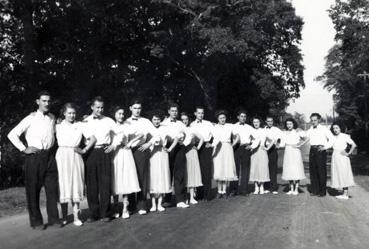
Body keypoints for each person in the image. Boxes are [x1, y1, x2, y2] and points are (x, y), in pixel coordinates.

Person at [7, 90, 59, 229]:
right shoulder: (30, 118)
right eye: (44, 100)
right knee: (33, 190)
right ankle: (36, 222)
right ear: (38, 102)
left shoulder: (52, 117)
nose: (47, 103)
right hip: (34, 157)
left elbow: (54, 133)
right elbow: (12, 134)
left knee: (52, 189)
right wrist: (24, 149)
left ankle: (54, 219)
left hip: (49, 156)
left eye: (48, 101)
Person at [56, 103, 96, 227]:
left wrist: (84, 150)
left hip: (75, 155)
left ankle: (76, 216)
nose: (72, 115)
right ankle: (63, 217)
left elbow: (93, 138)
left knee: (76, 184)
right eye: (69, 113)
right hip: (62, 156)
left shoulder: (80, 125)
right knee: (63, 184)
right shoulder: (57, 125)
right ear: (64, 113)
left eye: (73, 113)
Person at [83, 96, 118, 222]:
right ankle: (93, 214)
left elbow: (120, 133)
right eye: (97, 107)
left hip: (104, 152)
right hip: (91, 153)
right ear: (92, 107)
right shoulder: (85, 121)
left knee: (105, 183)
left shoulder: (109, 120)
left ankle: (106, 213)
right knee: (91, 184)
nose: (100, 110)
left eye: (102, 107)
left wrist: (113, 145)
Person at [124, 99, 154, 215]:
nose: (137, 110)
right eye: (135, 108)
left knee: (142, 177)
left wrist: (149, 143)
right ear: (130, 108)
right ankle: (131, 205)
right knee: (131, 177)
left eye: (139, 108)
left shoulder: (146, 121)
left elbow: (156, 135)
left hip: (141, 150)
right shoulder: (126, 122)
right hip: (128, 151)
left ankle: (141, 204)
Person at [112, 107, 141, 219]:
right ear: (114, 114)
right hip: (115, 155)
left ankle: (125, 208)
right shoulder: (111, 125)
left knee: (125, 180)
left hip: (125, 154)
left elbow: (141, 134)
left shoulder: (127, 126)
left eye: (123, 114)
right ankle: (115, 208)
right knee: (115, 180)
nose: (121, 116)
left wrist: (131, 142)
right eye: (119, 113)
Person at [161, 103, 189, 208]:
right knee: (168, 173)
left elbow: (187, 135)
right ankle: (167, 199)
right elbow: (162, 136)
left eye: (176, 111)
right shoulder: (163, 123)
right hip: (167, 149)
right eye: (172, 111)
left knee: (179, 174)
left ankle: (180, 200)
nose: (174, 113)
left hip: (179, 149)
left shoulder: (181, 123)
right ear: (168, 111)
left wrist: (183, 141)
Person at [211, 110, 239, 198]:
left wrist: (233, 144)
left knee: (227, 168)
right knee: (219, 168)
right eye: (220, 118)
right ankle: (219, 191)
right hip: (218, 147)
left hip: (227, 147)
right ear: (217, 119)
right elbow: (214, 139)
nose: (222, 119)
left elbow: (237, 136)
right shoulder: (215, 127)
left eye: (223, 118)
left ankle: (225, 191)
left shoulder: (230, 126)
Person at [149, 112, 172, 212]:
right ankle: (153, 204)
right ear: (151, 120)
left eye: (158, 119)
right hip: (152, 154)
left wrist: (169, 148)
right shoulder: (148, 129)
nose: (156, 121)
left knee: (162, 176)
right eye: (154, 119)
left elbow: (174, 137)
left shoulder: (165, 128)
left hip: (162, 153)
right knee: (153, 177)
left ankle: (160, 204)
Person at [306, 113, 334, 197]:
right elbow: (305, 137)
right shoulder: (310, 129)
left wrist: (325, 147)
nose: (313, 122)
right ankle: (315, 190)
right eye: (312, 120)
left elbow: (332, 139)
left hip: (320, 151)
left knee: (321, 171)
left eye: (315, 120)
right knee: (313, 171)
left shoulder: (324, 129)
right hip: (312, 150)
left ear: (319, 120)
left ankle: (322, 191)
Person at [230, 109, 257, 196]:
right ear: (238, 117)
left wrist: (252, 146)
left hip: (246, 148)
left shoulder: (249, 127)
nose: (243, 118)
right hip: (236, 148)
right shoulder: (233, 126)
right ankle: (234, 190)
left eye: (245, 116)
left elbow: (258, 138)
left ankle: (244, 190)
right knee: (235, 169)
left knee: (245, 169)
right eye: (241, 116)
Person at [190, 106, 214, 201]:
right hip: (196, 147)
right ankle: (199, 194)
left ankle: (207, 195)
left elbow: (216, 134)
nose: (201, 115)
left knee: (206, 171)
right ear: (195, 114)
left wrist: (212, 144)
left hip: (206, 147)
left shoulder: (208, 124)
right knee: (197, 170)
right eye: (199, 113)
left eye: (202, 113)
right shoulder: (192, 124)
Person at [279, 118, 307, 195]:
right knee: (289, 169)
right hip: (288, 151)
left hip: (295, 151)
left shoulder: (297, 131)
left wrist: (299, 144)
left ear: (293, 124)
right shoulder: (284, 132)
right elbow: (282, 144)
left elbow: (306, 138)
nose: (289, 126)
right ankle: (291, 188)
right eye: (287, 124)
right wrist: (276, 144)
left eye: (290, 124)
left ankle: (296, 189)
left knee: (296, 169)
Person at [180, 112, 203, 205]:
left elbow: (201, 138)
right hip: (182, 153)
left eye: (186, 119)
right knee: (185, 174)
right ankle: (184, 197)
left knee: (192, 173)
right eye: (182, 119)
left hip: (192, 152)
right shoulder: (179, 129)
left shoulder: (192, 129)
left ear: (189, 120)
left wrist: (198, 147)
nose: (185, 121)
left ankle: (192, 197)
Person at [330, 122, 356, 200]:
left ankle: (345, 194)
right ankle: (343, 192)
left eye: (337, 128)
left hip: (342, 157)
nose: (335, 130)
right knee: (338, 173)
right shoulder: (333, 137)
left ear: (340, 128)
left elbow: (354, 145)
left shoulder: (345, 136)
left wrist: (348, 153)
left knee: (344, 173)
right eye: (334, 128)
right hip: (335, 156)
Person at [249, 116, 272, 195]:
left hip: (262, 151)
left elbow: (272, 140)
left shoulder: (263, 131)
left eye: (257, 122)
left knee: (262, 168)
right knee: (254, 168)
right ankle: (256, 187)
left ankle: (261, 186)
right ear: (253, 123)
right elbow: (249, 141)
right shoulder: (251, 131)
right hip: (254, 152)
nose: (256, 124)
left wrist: (267, 147)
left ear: (260, 123)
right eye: (254, 122)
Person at [264, 116, 282, 194]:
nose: (270, 122)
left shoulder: (276, 129)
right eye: (268, 121)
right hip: (264, 149)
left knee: (273, 168)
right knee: (265, 168)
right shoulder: (263, 130)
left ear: (273, 122)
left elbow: (280, 138)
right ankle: (266, 187)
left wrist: (278, 144)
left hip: (273, 149)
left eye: (271, 121)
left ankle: (274, 187)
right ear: (266, 122)